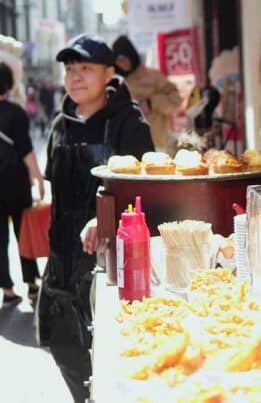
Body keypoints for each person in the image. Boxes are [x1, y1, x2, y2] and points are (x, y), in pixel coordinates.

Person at [37, 34, 153, 402]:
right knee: (65, 347)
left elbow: (145, 192)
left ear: (108, 73)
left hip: (111, 261)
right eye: (70, 69)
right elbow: (56, 194)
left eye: (85, 68)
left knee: (114, 355)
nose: (75, 76)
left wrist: (103, 219)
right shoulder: (59, 124)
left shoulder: (129, 123)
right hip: (63, 262)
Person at [0, 62, 44, 305]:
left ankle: (6, 289)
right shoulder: (16, 113)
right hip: (16, 184)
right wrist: (37, 178)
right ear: (8, 84)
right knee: (23, 233)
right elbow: (26, 150)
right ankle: (31, 284)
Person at [112, 35, 183, 152]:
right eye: (118, 61)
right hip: (127, 144)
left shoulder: (153, 77)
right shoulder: (116, 83)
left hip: (156, 142)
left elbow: (176, 99)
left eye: (124, 59)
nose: (122, 64)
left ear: (131, 55)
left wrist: (151, 103)